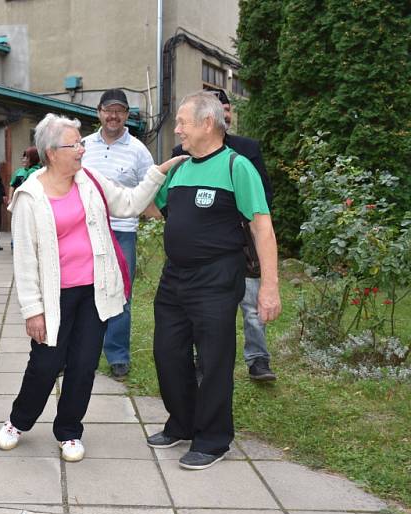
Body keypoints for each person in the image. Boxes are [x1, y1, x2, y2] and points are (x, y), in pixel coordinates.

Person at [0, 113, 187, 462]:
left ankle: (69, 431)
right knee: (44, 364)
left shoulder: (90, 180)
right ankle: (18, 421)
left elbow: (129, 204)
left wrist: (157, 172)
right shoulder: (29, 196)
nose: (83, 150)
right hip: (54, 296)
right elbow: (24, 260)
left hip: (93, 291)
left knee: (84, 365)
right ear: (52, 152)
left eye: (82, 143)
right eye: (76, 144)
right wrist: (32, 310)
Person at [147, 91, 280, 470]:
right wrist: (155, 177)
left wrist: (269, 286)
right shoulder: (182, 167)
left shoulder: (237, 166)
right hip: (175, 276)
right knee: (168, 354)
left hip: (217, 278)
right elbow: (157, 210)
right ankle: (182, 422)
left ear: (208, 124)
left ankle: (214, 438)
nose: (177, 130)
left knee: (214, 359)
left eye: (182, 123)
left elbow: (262, 227)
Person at [172, 89, 276, 381]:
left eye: (226, 108)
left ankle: (257, 359)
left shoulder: (242, 153)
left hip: (237, 249)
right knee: (205, 330)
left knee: (252, 307)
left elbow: (261, 205)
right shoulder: (181, 157)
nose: (178, 130)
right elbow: (171, 206)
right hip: (191, 267)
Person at [82, 88, 155, 381]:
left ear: (126, 115)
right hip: (86, 230)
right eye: (108, 110)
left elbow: (151, 186)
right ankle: (82, 352)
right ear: (99, 112)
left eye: (119, 111)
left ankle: (118, 356)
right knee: (84, 292)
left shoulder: (138, 149)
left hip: (123, 231)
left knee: (121, 294)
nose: (113, 116)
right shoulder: (84, 146)